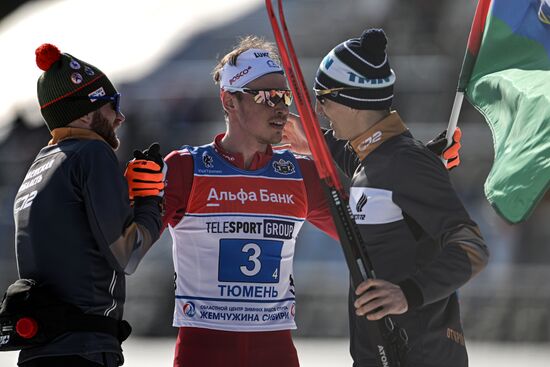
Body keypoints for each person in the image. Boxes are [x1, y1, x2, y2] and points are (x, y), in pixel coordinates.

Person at [284, 29, 489, 366]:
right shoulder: (377, 160)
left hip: (421, 356)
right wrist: (312, 140)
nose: (319, 109)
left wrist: (407, 293)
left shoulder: (404, 162)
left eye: (323, 96)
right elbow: (364, 163)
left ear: (353, 101)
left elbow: (472, 246)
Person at [160, 36, 340, 367]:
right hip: (203, 352)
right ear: (230, 101)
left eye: (284, 96)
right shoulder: (186, 168)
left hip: (275, 353)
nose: (282, 108)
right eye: (268, 96)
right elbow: (123, 247)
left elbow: (366, 229)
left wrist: (321, 147)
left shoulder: (300, 173)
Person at [11, 43, 165, 367]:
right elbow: (128, 254)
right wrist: (150, 201)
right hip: (83, 349)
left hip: (40, 350)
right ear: (83, 113)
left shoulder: (39, 166)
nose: (120, 116)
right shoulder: (92, 153)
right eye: (112, 104)